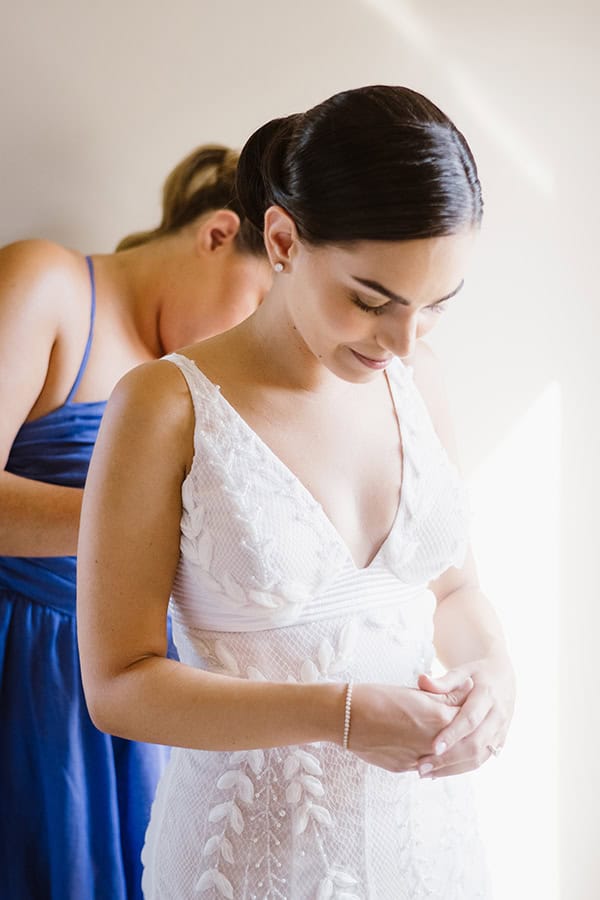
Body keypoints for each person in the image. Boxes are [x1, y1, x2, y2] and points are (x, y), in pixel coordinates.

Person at [77, 86, 516, 899]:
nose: (403, 340)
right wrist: (338, 713)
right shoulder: (164, 406)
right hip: (249, 860)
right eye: (371, 300)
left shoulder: (419, 380)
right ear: (282, 238)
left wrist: (492, 672)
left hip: (427, 844)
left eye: (433, 307)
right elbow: (118, 686)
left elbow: (452, 587)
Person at [0, 144, 271, 900]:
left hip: (143, 696)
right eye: (255, 305)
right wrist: (142, 519)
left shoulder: (209, 387)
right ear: (219, 234)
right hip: (23, 665)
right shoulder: (47, 283)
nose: (250, 343)